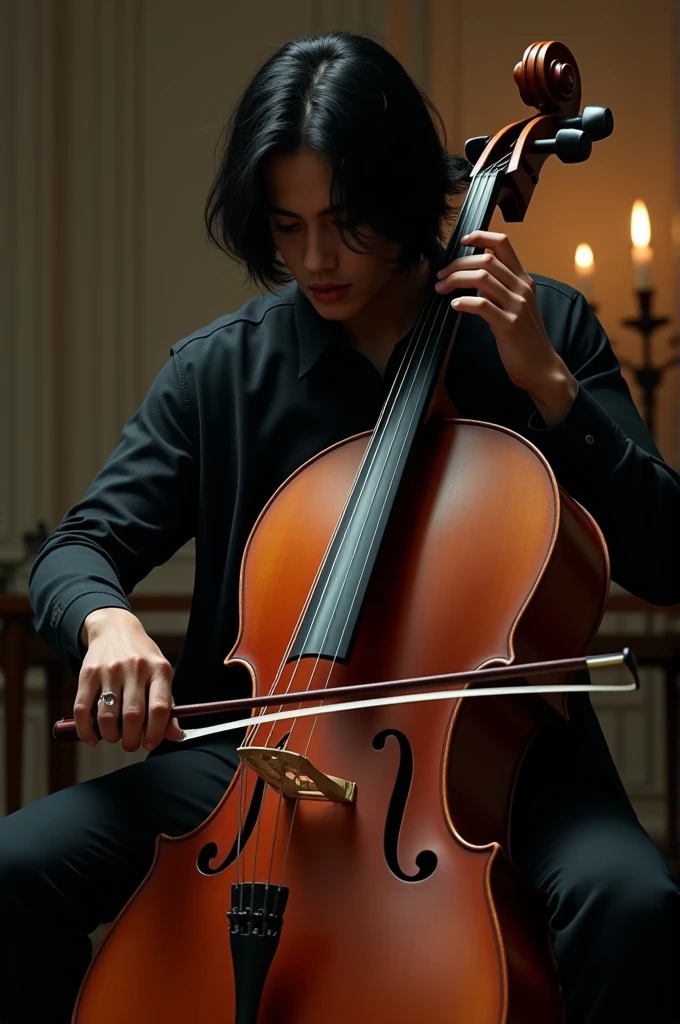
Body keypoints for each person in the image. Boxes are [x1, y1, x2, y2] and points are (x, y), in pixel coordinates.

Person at [0, 29, 678, 1024]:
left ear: (408, 194)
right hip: (256, 754)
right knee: (12, 867)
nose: (315, 259)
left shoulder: (540, 329)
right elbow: (79, 548)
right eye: (286, 227)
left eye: (347, 223)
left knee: (632, 904)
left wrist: (550, 387)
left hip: (494, 753)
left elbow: (664, 555)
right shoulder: (218, 372)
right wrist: (106, 622)